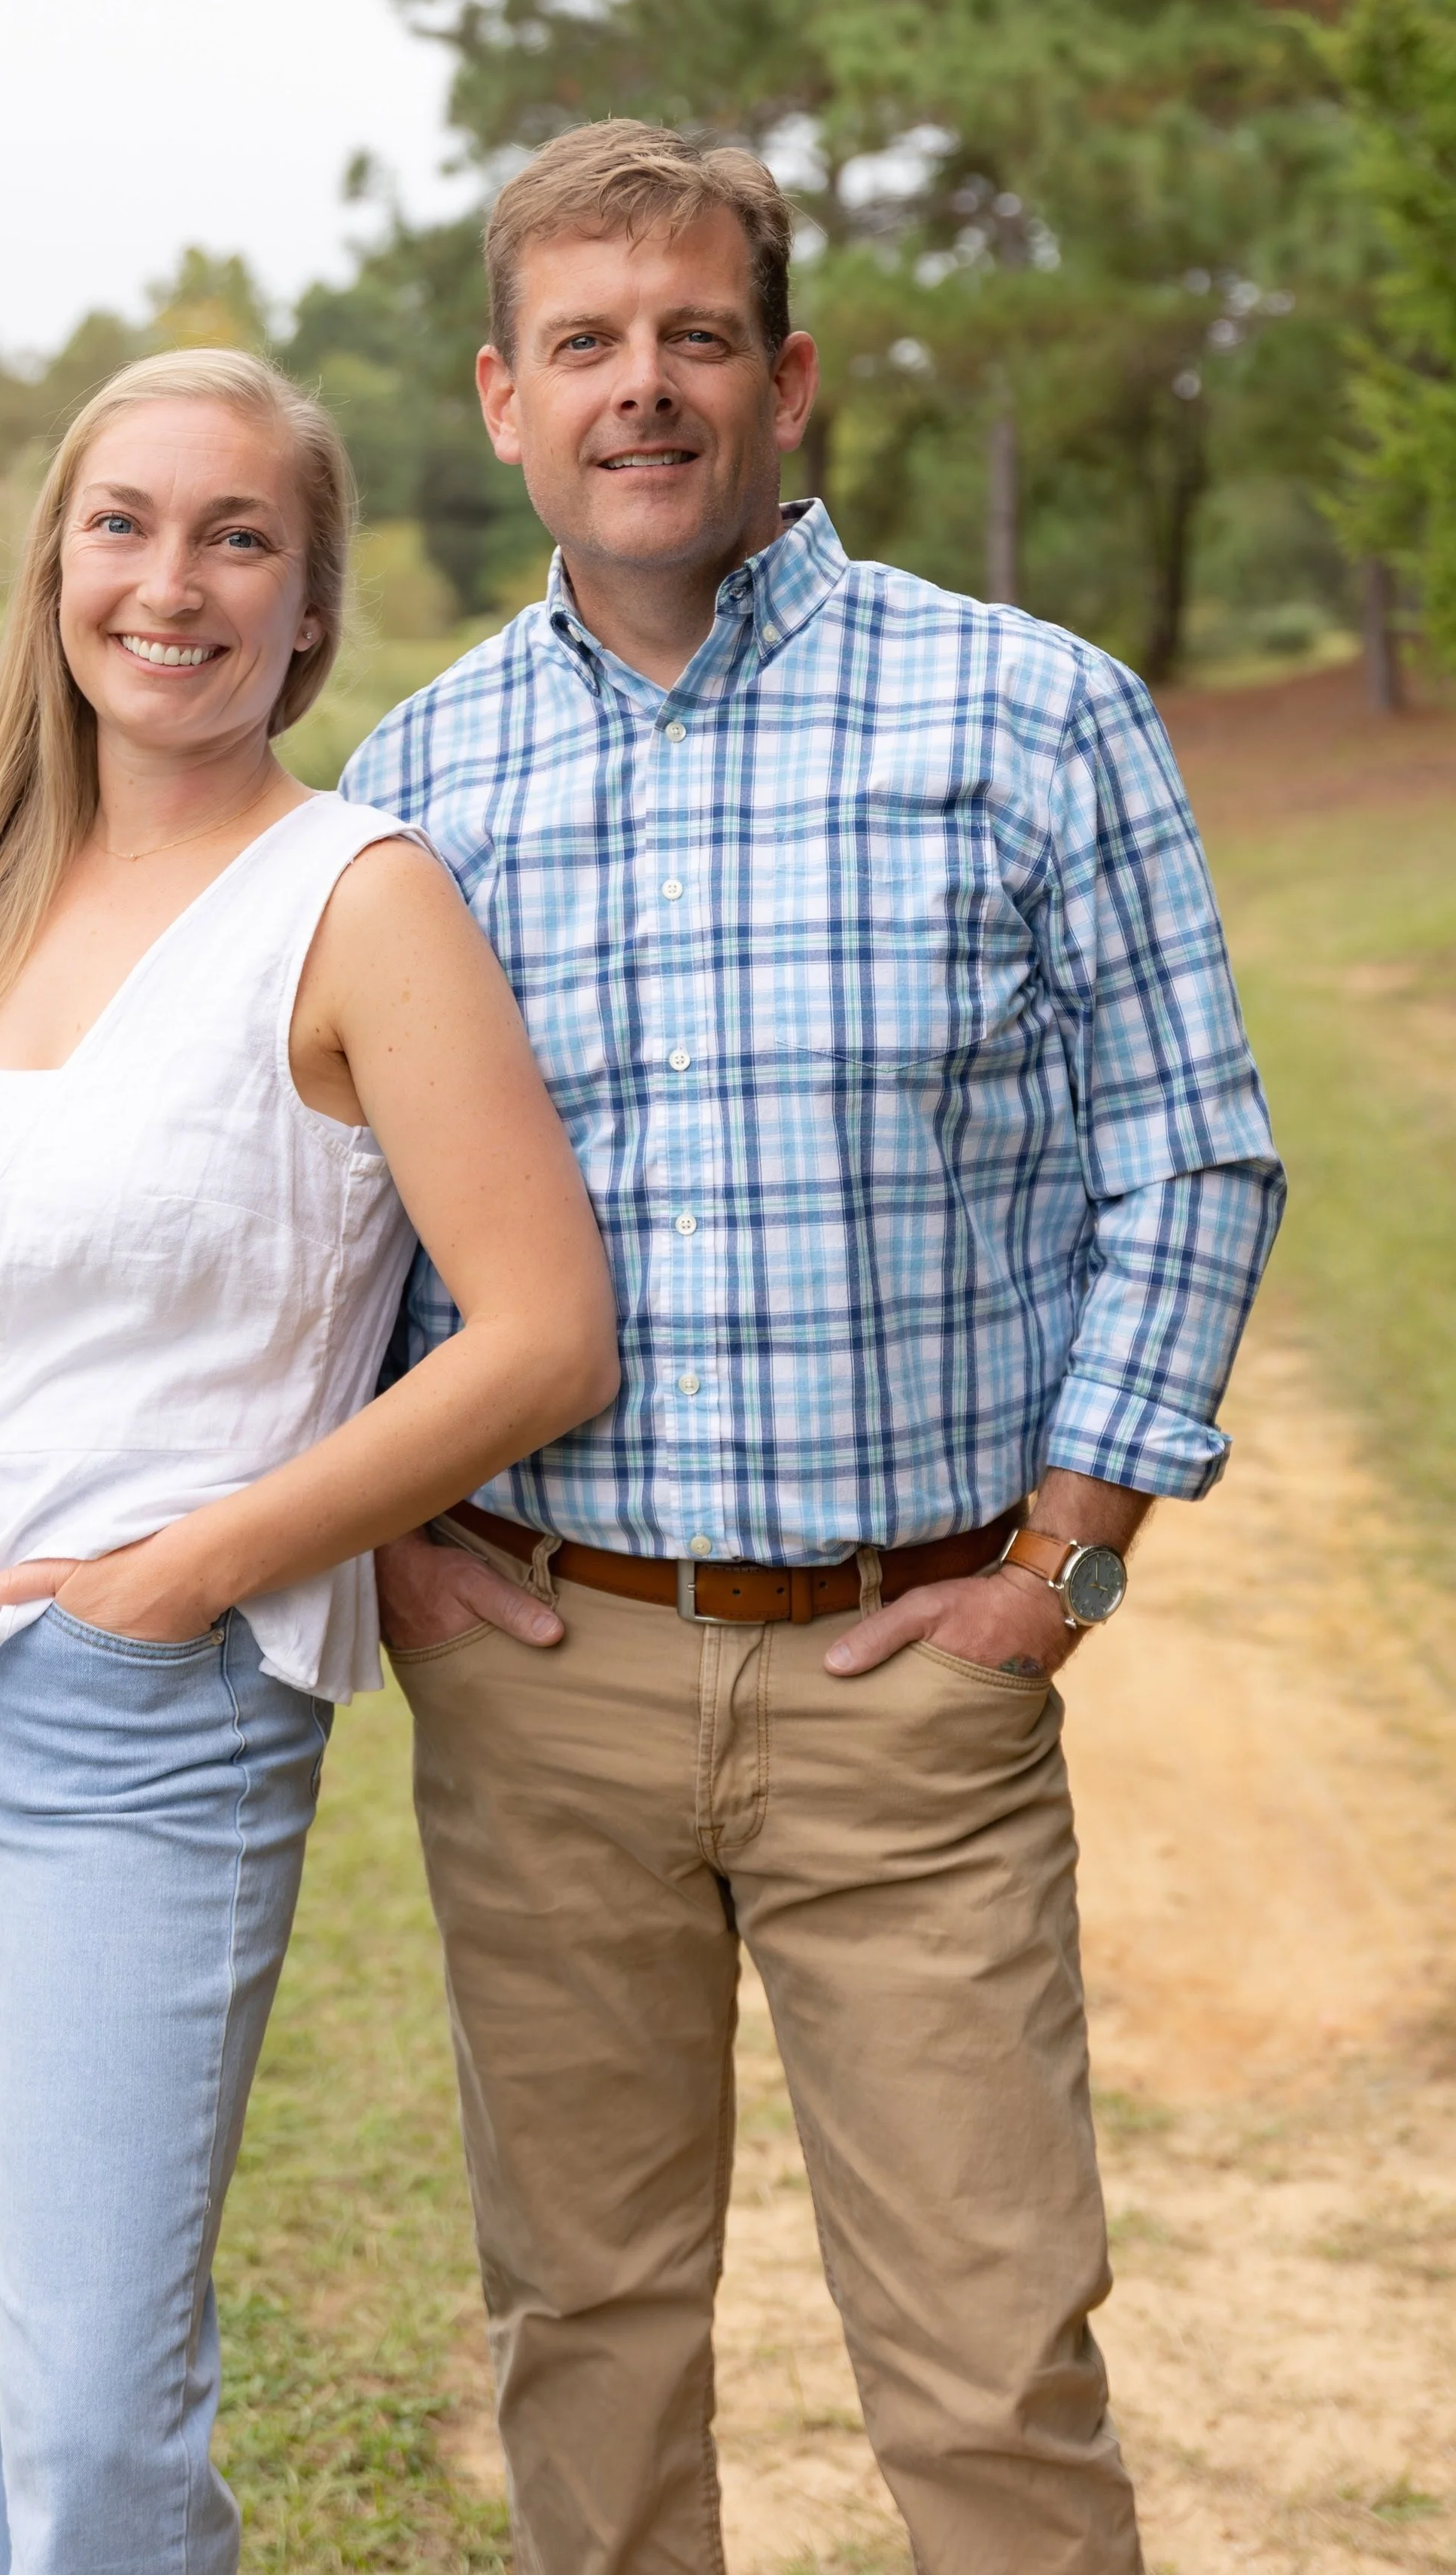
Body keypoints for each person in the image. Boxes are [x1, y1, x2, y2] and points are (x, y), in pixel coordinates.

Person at [342, 123, 1284, 2575]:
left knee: (986, 2357)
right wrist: (396, 1543)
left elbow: (1186, 1152)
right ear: (501, 397)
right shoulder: (408, 793)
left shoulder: (1031, 713)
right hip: (544, 1671)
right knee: (589, 2326)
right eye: (584, 344)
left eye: (690, 337)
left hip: (912, 1670)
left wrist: (1060, 1555)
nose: (637, 389)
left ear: (792, 384)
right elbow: (320, 1214)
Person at [0, 346, 618, 2575]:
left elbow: (540, 1329)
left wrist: (206, 1560)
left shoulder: (356, 898)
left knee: (103, 2409)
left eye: (239, 538)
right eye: (123, 522)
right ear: (54, 565)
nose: (172, 581)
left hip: (142, 1715)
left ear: (308, 610)